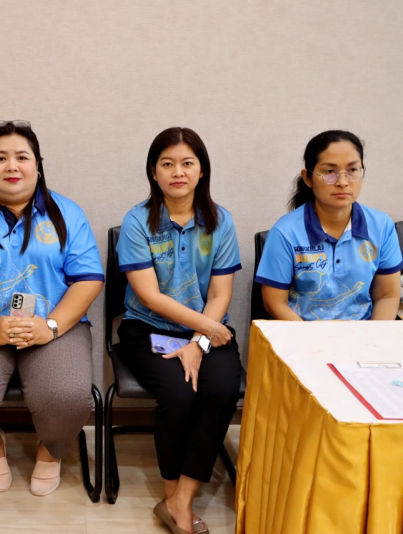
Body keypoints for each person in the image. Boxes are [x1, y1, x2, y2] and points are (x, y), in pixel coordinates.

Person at [0, 120, 104, 497]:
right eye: (0, 158)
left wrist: (51, 326)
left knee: (68, 396)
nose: (12, 166)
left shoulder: (67, 214)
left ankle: (51, 450)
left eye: (22, 157)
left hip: (55, 326)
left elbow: (89, 279)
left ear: (38, 166)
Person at [117, 127, 242, 534]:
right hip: (147, 329)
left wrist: (198, 343)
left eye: (187, 163)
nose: (178, 172)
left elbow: (221, 293)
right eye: (167, 164)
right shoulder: (137, 222)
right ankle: (171, 494)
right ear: (153, 172)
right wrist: (207, 330)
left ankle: (179, 500)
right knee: (179, 394)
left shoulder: (220, 222)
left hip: (207, 331)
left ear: (202, 170)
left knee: (221, 390)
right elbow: (149, 296)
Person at [256, 130, 402, 320]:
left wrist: (372, 336)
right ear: (308, 178)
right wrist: (315, 338)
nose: (343, 182)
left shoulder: (381, 226)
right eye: (329, 171)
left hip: (363, 332)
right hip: (301, 331)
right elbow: (275, 303)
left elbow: (387, 296)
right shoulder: (285, 232)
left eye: (352, 170)